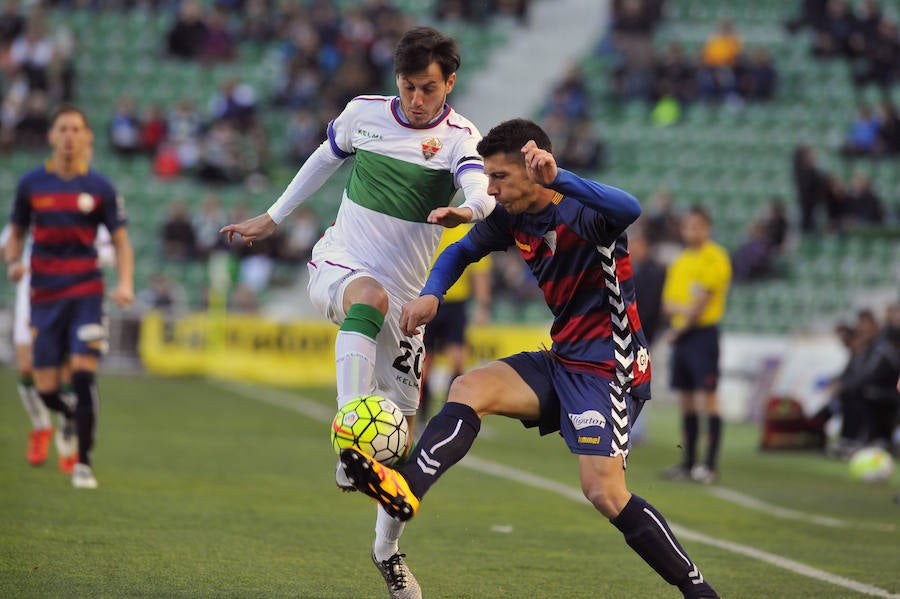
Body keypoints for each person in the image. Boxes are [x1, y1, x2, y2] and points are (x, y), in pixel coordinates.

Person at [339, 119, 720, 599]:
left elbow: (631, 207)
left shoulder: (582, 210)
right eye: (488, 178)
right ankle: (406, 487)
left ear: (533, 168)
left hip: (611, 366)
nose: (491, 189)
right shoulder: (509, 215)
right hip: (562, 358)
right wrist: (433, 294)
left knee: (604, 492)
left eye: (499, 177)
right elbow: (460, 254)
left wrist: (558, 177)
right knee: (468, 388)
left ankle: (699, 592)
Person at [220, 27, 494, 599]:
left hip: (407, 305)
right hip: (340, 264)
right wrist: (273, 217)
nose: (417, 98)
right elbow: (324, 158)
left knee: (403, 448)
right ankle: (349, 438)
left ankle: (386, 553)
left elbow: (481, 187)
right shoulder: (363, 115)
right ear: (396, 80)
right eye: (408, 85)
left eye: (428, 88)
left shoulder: (459, 136)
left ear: (450, 83)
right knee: (367, 298)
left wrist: (467, 210)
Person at [5, 105, 134, 489]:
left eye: (76, 129)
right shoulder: (31, 185)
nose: (69, 136)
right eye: (62, 128)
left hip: (86, 291)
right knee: (45, 390)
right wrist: (14, 260)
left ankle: (83, 463)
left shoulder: (100, 188)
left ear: (87, 137)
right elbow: (15, 231)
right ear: (51, 136)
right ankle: (72, 415)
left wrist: (125, 283)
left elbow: (122, 244)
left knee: (82, 373)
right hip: (43, 293)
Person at [2, 221, 115, 473]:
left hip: (74, 291)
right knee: (26, 368)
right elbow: (10, 240)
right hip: (32, 291)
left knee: (69, 371)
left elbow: (111, 250)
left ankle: (68, 432)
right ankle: (41, 426)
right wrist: (12, 262)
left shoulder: (90, 206)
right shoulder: (34, 196)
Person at [660, 205, 732, 484]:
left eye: (697, 226)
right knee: (687, 400)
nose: (691, 230)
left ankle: (710, 466)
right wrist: (683, 315)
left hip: (702, 336)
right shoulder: (680, 261)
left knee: (709, 399)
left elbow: (701, 304)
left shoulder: (715, 257)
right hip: (683, 336)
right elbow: (668, 304)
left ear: (707, 228)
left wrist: (682, 324)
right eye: (687, 225)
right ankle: (688, 463)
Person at [419, 224, 491, 429]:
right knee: (425, 365)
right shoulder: (426, 230)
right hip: (428, 300)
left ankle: (450, 416)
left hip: (456, 306)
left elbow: (480, 271)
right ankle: (421, 416)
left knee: (458, 362)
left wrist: (482, 305)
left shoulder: (466, 231)